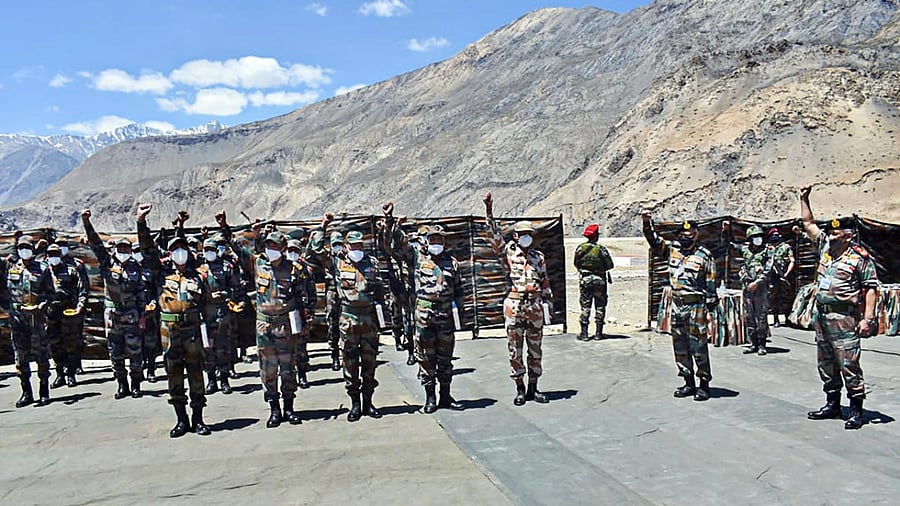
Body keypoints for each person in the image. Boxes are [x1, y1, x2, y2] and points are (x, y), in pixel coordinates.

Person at [799, 185, 878, 430]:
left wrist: (868, 319)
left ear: (848, 235)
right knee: (826, 362)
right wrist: (804, 199)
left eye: (836, 233)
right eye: (830, 233)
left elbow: (871, 289)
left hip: (844, 318)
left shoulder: (860, 258)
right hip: (821, 317)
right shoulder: (825, 247)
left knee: (848, 363)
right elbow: (808, 223)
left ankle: (856, 409)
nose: (831, 236)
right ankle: (832, 404)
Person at [137, 204, 212, 438]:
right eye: (175, 249)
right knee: (174, 373)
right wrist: (141, 222)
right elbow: (148, 249)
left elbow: (207, 306)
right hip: (168, 330)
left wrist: (210, 332)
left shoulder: (198, 274)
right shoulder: (162, 272)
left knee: (196, 373)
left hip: (191, 330)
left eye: (183, 248)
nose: (180, 252)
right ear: (169, 254)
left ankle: (198, 419)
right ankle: (181, 420)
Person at [382, 203, 465, 413]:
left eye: (440, 239)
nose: (437, 242)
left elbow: (459, 290)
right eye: (433, 239)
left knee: (445, 358)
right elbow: (394, 245)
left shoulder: (452, 263)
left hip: (445, 316)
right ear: (427, 241)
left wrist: (459, 315)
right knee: (426, 358)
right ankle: (430, 398)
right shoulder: (416, 256)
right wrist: (390, 220)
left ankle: (446, 396)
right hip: (424, 316)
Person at [484, 193, 553, 406]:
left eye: (529, 234)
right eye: (522, 234)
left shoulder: (538, 257)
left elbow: (545, 281)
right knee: (515, 348)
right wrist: (489, 211)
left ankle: (534, 388)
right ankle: (520, 389)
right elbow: (493, 236)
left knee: (535, 348)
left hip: (534, 305)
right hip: (514, 305)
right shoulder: (508, 253)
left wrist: (548, 306)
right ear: (515, 236)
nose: (526, 237)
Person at [642, 212, 716, 401]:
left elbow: (711, 286)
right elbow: (653, 240)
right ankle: (688, 382)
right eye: (682, 235)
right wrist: (646, 222)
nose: (685, 238)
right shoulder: (672, 250)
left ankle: (704, 384)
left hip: (696, 307)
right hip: (677, 306)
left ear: (696, 235)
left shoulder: (704, 256)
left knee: (698, 346)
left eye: (689, 235)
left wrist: (710, 313)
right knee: (680, 345)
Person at [83, 210, 146, 399]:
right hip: (112, 316)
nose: (123, 252)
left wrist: (142, 315)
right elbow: (95, 242)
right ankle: (122, 384)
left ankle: (136, 384)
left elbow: (141, 293)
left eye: (126, 249)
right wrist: (86, 222)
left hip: (132, 314)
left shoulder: (136, 267)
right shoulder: (107, 262)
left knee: (135, 351)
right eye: (120, 249)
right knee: (115, 351)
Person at [251, 230, 308, 427]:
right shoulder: (258, 264)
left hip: (285, 325)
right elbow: (237, 248)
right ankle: (274, 409)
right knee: (268, 369)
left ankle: (289, 408)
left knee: (287, 368)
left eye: (275, 246)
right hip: (264, 326)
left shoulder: (294, 269)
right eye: (268, 245)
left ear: (283, 249)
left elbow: (302, 297)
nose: (271, 249)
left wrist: (302, 325)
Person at [334, 230, 386, 421]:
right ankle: (355, 404)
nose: (357, 249)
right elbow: (314, 254)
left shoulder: (371, 263)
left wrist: (382, 318)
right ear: (346, 246)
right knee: (350, 362)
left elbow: (379, 290)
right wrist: (324, 227)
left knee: (370, 362)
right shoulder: (338, 262)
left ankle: (368, 403)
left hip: (369, 319)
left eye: (360, 245)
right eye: (353, 245)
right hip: (348, 319)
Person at [4, 235, 52, 407]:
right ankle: (26, 392)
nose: (24, 250)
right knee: (20, 356)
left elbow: (50, 293)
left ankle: (44, 391)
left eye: (27, 247)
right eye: (21, 247)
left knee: (41, 355)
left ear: (32, 249)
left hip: (36, 320)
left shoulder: (42, 268)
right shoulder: (9, 268)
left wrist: (41, 305)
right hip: (17, 320)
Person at [197, 237, 242, 395]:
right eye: (206, 249)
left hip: (223, 315)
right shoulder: (199, 270)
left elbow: (236, 288)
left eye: (212, 249)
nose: (209, 252)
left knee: (223, 349)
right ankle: (210, 380)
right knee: (207, 349)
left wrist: (225, 294)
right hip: (205, 316)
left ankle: (224, 380)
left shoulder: (226, 267)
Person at [42, 243, 88, 389]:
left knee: (71, 344)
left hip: (68, 312)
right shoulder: (44, 271)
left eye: (56, 254)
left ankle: (71, 374)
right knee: (54, 344)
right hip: (51, 313)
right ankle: (60, 373)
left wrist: (80, 305)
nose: (53, 257)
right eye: (50, 255)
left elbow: (82, 288)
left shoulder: (71, 270)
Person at [723, 223, 773, 355]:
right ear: (750, 238)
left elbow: (768, 269)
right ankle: (753, 343)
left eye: (759, 236)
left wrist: (757, 282)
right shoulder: (745, 249)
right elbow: (728, 245)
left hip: (761, 289)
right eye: (755, 237)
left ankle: (762, 344)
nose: (758, 239)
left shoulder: (768, 250)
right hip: (747, 288)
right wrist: (726, 231)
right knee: (749, 316)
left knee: (761, 317)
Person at [573, 223, 614, 341]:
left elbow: (576, 263)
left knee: (585, 306)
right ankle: (598, 333)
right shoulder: (601, 249)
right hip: (600, 281)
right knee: (600, 306)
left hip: (585, 281)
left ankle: (584, 334)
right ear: (596, 236)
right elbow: (610, 265)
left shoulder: (580, 248)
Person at [286, 238, 316, 390]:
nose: (292, 253)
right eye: (289, 250)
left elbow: (312, 293)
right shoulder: (280, 267)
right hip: (284, 313)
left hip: (300, 312)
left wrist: (310, 313)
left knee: (301, 346)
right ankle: (288, 378)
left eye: (295, 251)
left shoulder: (306, 270)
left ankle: (302, 374)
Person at [134, 241, 162, 383]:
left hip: (149, 312)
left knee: (150, 343)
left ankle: (151, 370)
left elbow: (157, 289)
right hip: (133, 313)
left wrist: (154, 302)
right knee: (136, 344)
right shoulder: (129, 270)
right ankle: (138, 372)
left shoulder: (149, 270)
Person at [767, 227, 795, 327]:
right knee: (773, 298)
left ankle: (787, 319)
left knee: (786, 297)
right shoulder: (768, 248)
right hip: (771, 277)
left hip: (784, 276)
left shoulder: (785, 247)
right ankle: (775, 319)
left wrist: (786, 274)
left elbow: (792, 260)